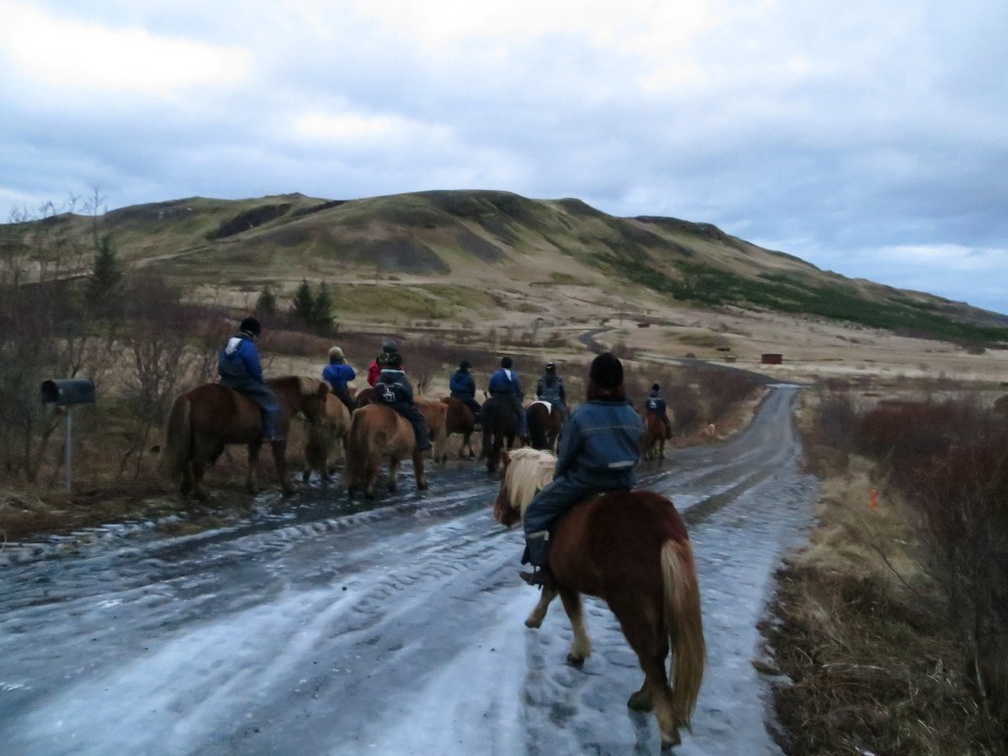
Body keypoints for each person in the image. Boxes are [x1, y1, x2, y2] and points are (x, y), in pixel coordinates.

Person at [520, 352, 644, 588]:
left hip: (585, 483)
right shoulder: (633, 416)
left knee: (535, 512)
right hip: (624, 483)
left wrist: (558, 477)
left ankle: (544, 569)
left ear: (593, 382)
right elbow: (637, 452)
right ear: (620, 382)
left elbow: (565, 458)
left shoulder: (581, 416)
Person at [218, 316, 282, 442]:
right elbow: (255, 370)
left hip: (225, 381)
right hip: (244, 383)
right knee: (272, 402)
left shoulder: (228, 343)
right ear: (253, 333)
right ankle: (269, 433)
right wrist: (261, 381)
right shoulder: (249, 346)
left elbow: (221, 362)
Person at [373, 352, 433, 452]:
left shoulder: (381, 378)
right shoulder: (401, 378)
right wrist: (410, 403)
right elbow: (408, 394)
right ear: (400, 365)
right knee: (419, 418)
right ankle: (424, 442)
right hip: (400, 405)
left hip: (384, 405)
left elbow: (377, 390)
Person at [488, 356, 528, 441]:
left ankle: (484, 426)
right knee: (522, 414)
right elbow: (518, 389)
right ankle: (522, 432)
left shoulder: (495, 374)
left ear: (501, 364)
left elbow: (490, 388)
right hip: (511, 397)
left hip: (497, 396)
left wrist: (494, 395)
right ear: (511, 365)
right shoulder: (514, 375)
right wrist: (518, 397)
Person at [322, 346, 357, 414]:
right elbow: (352, 376)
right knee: (353, 407)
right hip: (341, 391)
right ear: (341, 356)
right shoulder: (345, 368)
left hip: (328, 391)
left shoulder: (326, 368)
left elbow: (325, 377)